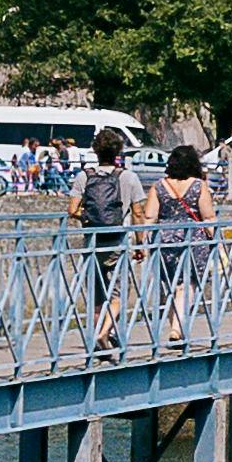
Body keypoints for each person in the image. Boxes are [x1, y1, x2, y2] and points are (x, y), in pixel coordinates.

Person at [74, 128, 148, 337]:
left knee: (97, 294)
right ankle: (104, 333)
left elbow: (72, 209)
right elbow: (138, 212)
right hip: (118, 240)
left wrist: (87, 217)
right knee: (119, 293)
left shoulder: (83, 176)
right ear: (118, 152)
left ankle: (97, 337)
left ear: (95, 151)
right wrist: (140, 242)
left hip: (92, 240)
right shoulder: (129, 177)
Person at [147, 141, 216, 344]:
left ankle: (175, 327)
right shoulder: (198, 186)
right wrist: (214, 239)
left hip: (164, 240)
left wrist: (143, 242)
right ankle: (177, 328)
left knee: (170, 285)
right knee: (187, 284)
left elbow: (150, 217)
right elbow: (208, 217)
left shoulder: (159, 186)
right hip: (192, 240)